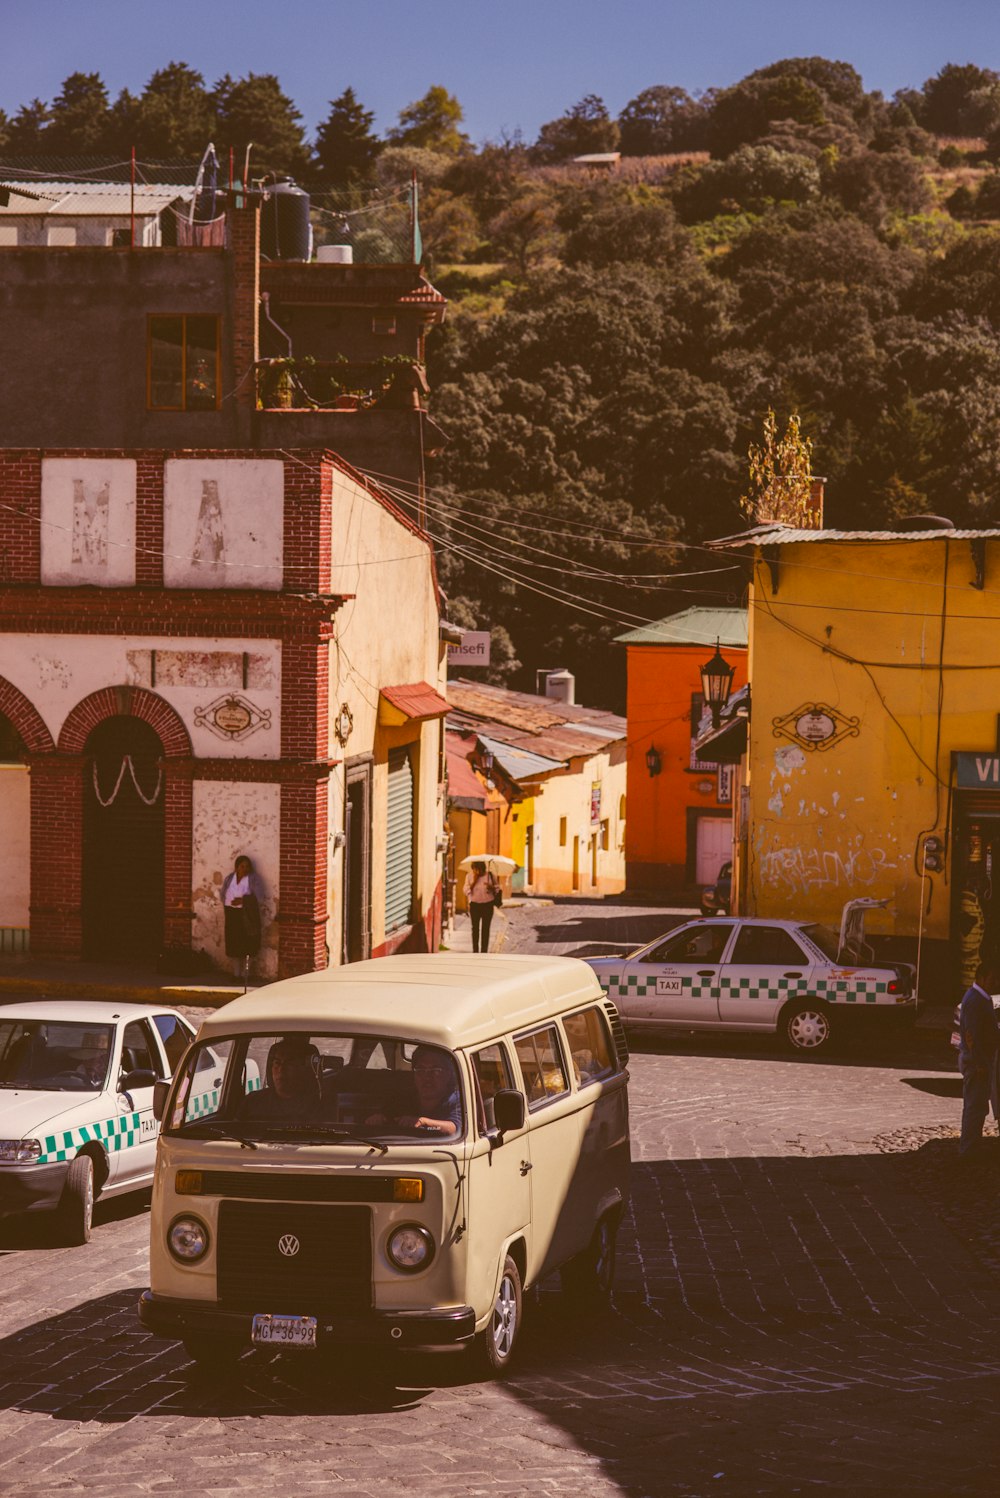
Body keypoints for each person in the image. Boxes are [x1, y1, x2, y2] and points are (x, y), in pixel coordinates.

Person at [366, 1046, 462, 1136]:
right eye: (421, 1070)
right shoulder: (401, 1098)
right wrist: (376, 1119)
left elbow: (453, 1129)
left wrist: (424, 1122)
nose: (427, 1077)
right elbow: (385, 1117)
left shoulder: (458, 1099)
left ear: (448, 1074)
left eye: (435, 1070)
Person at [957, 957, 1000, 1160]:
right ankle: (968, 1149)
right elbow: (971, 1035)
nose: (995, 983)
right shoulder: (976, 1000)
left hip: (979, 1060)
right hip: (977, 1062)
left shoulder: (979, 997)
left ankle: (971, 1145)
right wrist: (979, 1063)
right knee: (974, 1106)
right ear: (982, 978)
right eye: (992, 979)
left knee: (977, 1105)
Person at [241, 1036, 322, 1122]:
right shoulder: (253, 1102)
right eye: (277, 1063)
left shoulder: (319, 1106)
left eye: (290, 1064)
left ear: (303, 1070)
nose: (281, 1069)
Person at [221, 855, 263, 981]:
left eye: (247, 866)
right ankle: (236, 974)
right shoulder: (230, 878)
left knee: (248, 943)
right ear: (237, 867)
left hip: (247, 915)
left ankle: (246, 974)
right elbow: (223, 893)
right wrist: (229, 903)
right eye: (242, 866)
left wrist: (243, 900)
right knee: (234, 943)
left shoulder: (253, 879)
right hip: (232, 914)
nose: (245, 869)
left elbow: (259, 896)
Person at [464, 860, 499, 954]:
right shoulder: (469, 876)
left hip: (488, 904)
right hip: (475, 905)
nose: (477, 871)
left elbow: (497, 889)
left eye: (479, 869)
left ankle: (484, 951)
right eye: (475, 869)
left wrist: (491, 887)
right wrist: (474, 881)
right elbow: (466, 891)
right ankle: (475, 951)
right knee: (475, 928)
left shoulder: (490, 875)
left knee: (485, 929)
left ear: (483, 868)